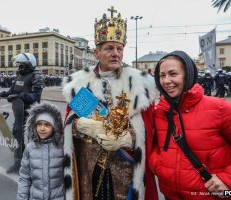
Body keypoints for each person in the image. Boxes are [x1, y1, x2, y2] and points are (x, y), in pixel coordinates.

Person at [62, 7, 159, 200]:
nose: (116, 53)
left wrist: (128, 138)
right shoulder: (81, 84)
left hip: (126, 172)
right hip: (89, 171)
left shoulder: (140, 85)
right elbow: (69, 124)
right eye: (109, 48)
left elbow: (151, 129)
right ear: (97, 53)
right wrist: (82, 125)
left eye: (119, 48)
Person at [149, 50, 231, 199]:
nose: (166, 81)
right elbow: (154, 147)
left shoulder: (219, 108)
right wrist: (159, 166)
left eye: (173, 74)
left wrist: (229, 180)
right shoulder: (160, 112)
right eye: (162, 76)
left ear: (187, 75)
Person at [0, 53, 45, 173]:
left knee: (30, 139)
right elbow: (12, 91)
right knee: (16, 135)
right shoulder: (18, 76)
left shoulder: (35, 76)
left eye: (21, 64)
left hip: (30, 114)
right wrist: (1, 94)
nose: (19, 66)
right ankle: (18, 162)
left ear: (29, 64)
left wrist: (20, 96)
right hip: (18, 112)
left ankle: (32, 164)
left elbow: (36, 97)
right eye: (19, 64)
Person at [17, 102, 64, 200]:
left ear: (55, 127)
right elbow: (25, 178)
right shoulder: (30, 148)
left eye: (47, 125)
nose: (42, 128)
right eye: (39, 124)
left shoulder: (61, 147)